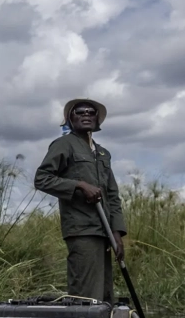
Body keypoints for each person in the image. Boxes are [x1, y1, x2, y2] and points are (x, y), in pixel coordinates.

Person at [34, 98, 126, 304]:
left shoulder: (103, 153)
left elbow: (112, 195)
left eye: (91, 112)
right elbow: (42, 179)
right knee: (86, 294)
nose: (86, 115)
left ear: (97, 120)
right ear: (70, 118)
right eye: (80, 112)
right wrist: (79, 185)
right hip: (82, 229)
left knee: (105, 293)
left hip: (104, 232)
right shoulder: (64, 145)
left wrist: (117, 233)